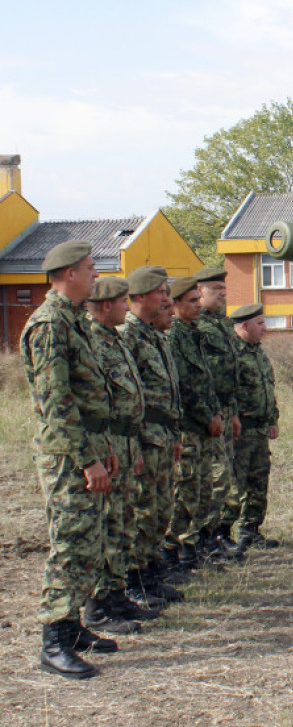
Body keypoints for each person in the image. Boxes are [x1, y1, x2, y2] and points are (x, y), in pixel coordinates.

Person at [20, 240, 117, 679]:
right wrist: (86, 461)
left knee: (89, 541)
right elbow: (56, 402)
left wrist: (103, 450)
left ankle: (73, 626)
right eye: (92, 268)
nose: (97, 274)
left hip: (86, 448)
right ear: (70, 274)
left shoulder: (72, 320)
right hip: (66, 455)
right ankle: (53, 642)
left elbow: (91, 396)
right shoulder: (49, 325)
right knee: (69, 545)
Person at [82, 277, 154, 633]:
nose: (128, 306)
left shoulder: (115, 338)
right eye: (123, 301)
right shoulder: (93, 340)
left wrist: (135, 445)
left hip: (124, 443)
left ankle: (116, 594)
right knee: (106, 525)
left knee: (123, 523)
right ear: (106, 305)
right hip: (105, 445)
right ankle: (97, 605)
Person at [118, 265, 185, 601]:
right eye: (161, 293)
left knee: (160, 508)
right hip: (144, 437)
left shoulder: (153, 335)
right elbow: (128, 397)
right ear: (141, 295)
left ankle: (150, 572)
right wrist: (136, 445)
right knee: (144, 509)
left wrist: (173, 436)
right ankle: (135, 581)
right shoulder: (127, 335)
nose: (166, 300)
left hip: (162, 435)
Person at [165, 277, 223, 568]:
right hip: (188, 426)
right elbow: (184, 386)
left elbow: (205, 381)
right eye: (192, 300)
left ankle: (195, 545)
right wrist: (206, 415)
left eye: (199, 299)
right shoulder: (173, 337)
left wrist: (216, 414)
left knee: (202, 487)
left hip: (203, 426)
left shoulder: (193, 333)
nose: (199, 305)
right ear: (174, 304)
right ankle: (178, 549)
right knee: (185, 489)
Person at [194, 267, 243, 559]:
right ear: (200, 291)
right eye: (215, 288)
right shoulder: (196, 326)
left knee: (225, 478)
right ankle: (203, 539)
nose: (223, 293)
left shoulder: (223, 324)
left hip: (224, 410)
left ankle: (217, 534)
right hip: (205, 413)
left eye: (223, 288)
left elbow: (229, 373)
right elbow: (201, 376)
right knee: (214, 478)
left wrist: (233, 412)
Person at [230, 304, 280, 549]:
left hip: (260, 429)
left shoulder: (258, 353)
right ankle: (223, 535)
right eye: (259, 323)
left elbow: (268, 388)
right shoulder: (233, 353)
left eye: (264, 322)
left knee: (259, 483)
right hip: (241, 431)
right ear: (243, 326)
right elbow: (227, 391)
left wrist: (273, 419)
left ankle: (251, 531)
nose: (264, 328)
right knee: (234, 485)